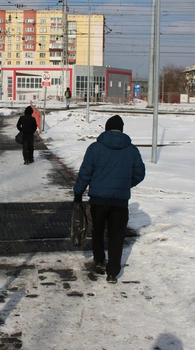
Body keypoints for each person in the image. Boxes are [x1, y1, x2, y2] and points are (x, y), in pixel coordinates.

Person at [73, 114, 145, 283]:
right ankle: (112, 272)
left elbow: (85, 173)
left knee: (97, 230)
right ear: (121, 129)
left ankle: (98, 260)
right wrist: (125, 184)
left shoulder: (95, 148)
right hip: (120, 201)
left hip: (98, 200)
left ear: (106, 129)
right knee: (117, 234)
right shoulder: (132, 150)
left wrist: (78, 192)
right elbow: (140, 174)